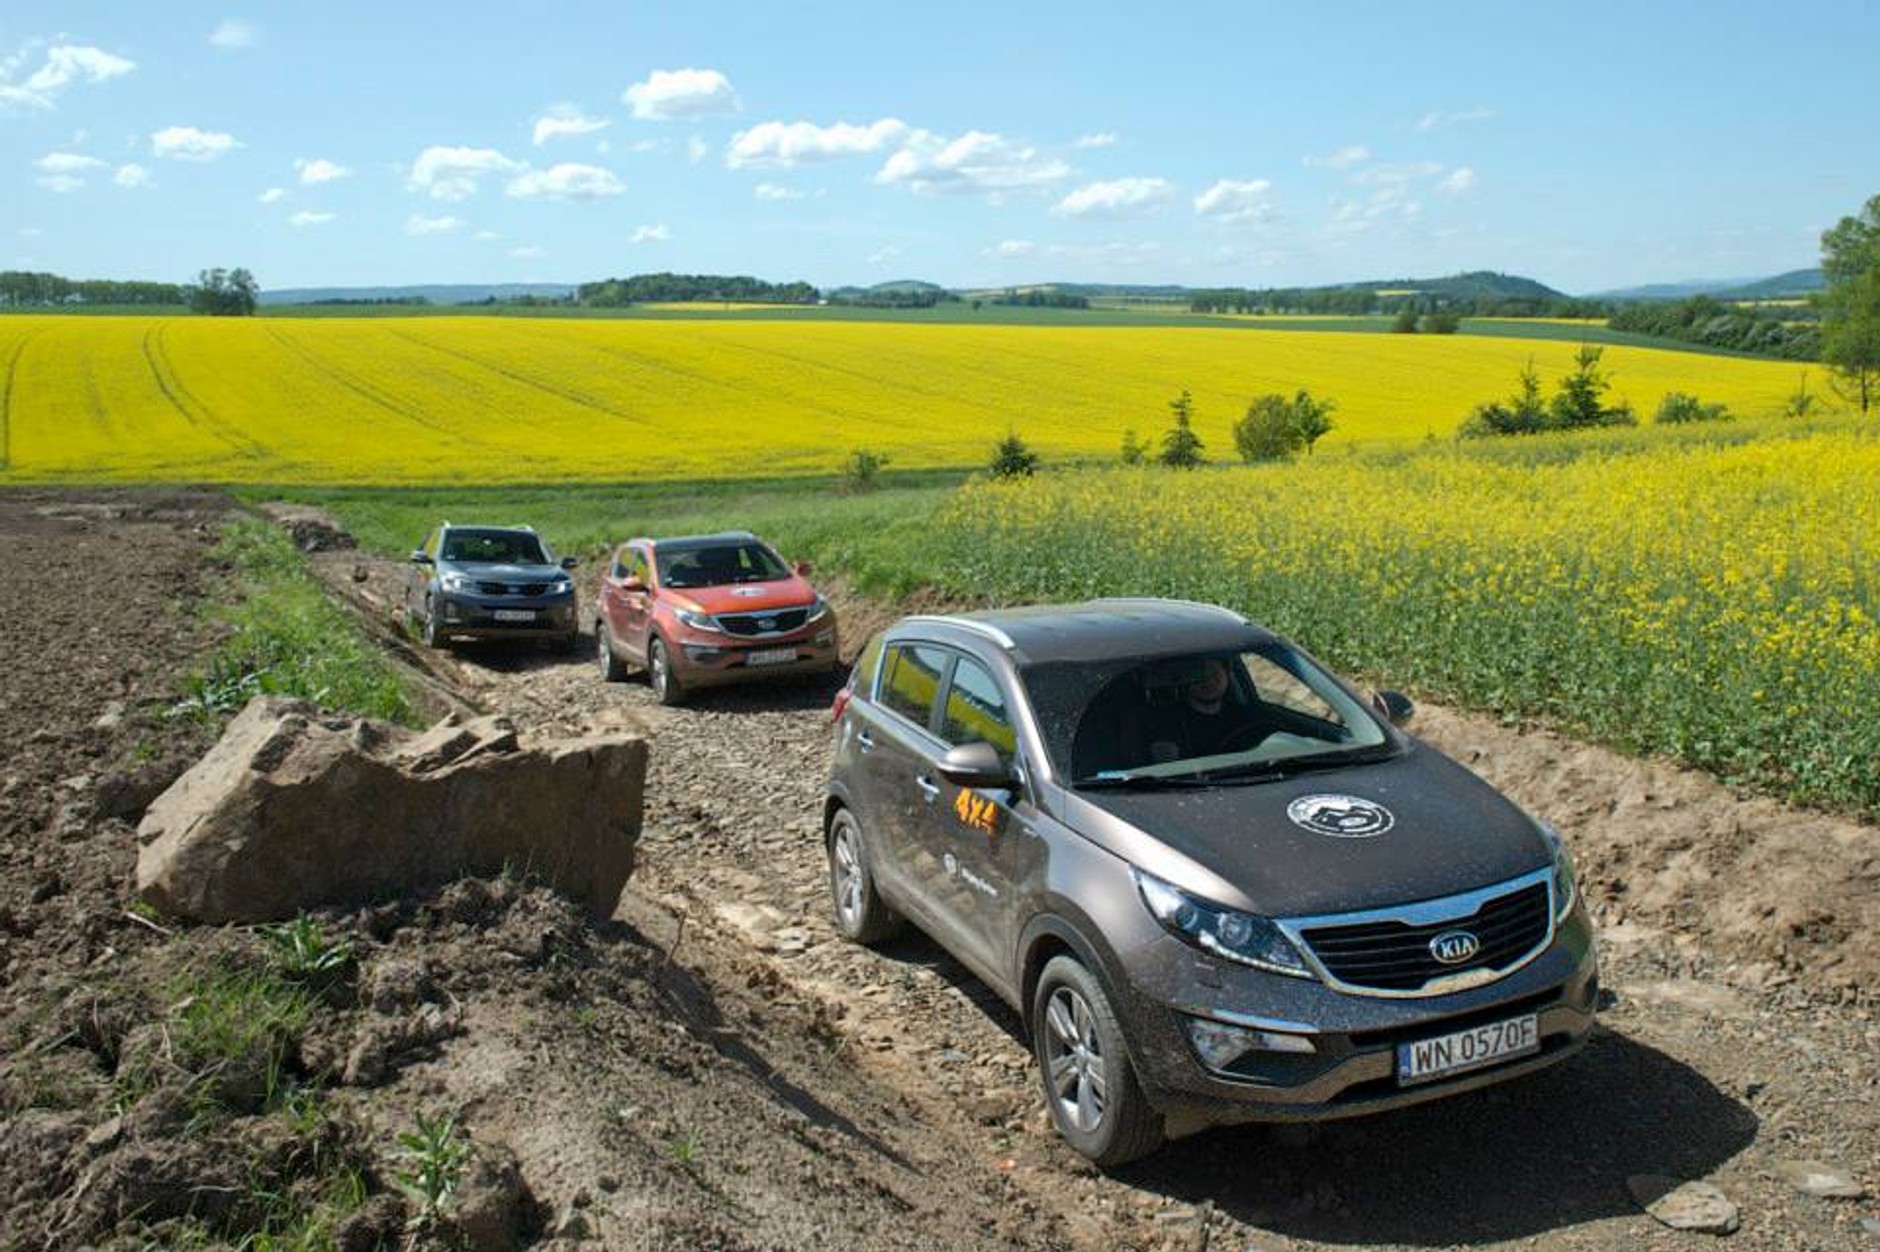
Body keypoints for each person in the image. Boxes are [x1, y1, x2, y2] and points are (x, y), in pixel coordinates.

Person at [1146, 658, 1247, 763]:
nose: (1208, 681)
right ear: (1185, 680)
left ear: (1227, 675)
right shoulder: (1165, 723)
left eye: (1215, 674)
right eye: (1199, 675)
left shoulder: (1251, 714)